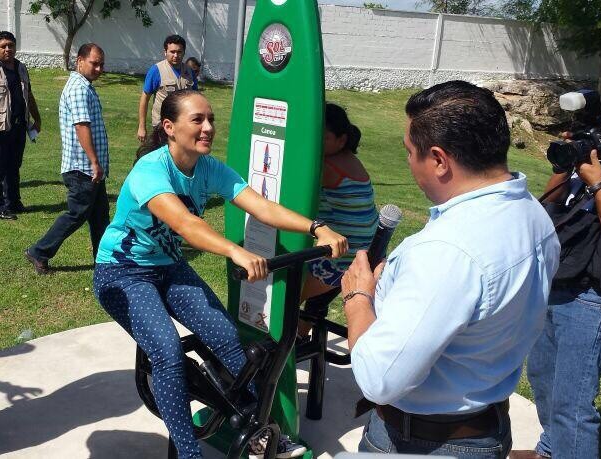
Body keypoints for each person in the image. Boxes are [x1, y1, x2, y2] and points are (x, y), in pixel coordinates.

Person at [94, 89, 348, 459]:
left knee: (229, 340)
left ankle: (262, 430)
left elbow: (261, 206)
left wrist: (316, 227)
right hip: (123, 273)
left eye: (210, 118)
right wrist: (235, 251)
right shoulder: (150, 170)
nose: (208, 127)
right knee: (166, 352)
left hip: (167, 268)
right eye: (197, 120)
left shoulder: (207, 168)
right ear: (169, 127)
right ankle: (188, 452)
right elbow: (184, 223)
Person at [340, 80, 560, 457]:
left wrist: (359, 297)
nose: (408, 163)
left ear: (440, 160)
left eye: (410, 152)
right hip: (486, 426)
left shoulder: (447, 250)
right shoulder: (533, 214)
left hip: (421, 443)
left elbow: (378, 379)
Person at [514, 90, 601, 459]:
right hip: (559, 284)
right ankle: (550, 449)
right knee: (543, 380)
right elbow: (551, 205)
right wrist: (567, 164)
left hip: (597, 301)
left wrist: (597, 186)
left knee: (572, 404)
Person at [25, 43, 109, 274]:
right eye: (95, 63)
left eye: (102, 64)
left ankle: (104, 262)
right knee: (77, 213)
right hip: (83, 167)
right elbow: (82, 125)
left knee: (100, 218)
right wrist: (93, 161)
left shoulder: (86, 86)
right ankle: (39, 251)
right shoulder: (78, 89)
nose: (99, 69)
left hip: (91, 167)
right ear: (79, 61)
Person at [298, 103, 377, 338]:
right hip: (360, 257)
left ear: (341, 140)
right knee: (315, 305)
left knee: (284, 296)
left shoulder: (327, 167)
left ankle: (277, 348)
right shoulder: (348, 159)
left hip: (338, 261)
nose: (313, 142)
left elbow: (292, 195)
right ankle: (300, 339)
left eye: (321, 138)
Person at [0, 31, 42, 220]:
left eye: (11, 45)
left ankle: (13, 201)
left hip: (19, 127)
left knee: (14, 166)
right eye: (3, 46)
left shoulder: (21, 67)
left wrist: (37, 119)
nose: (7, 49)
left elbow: (28, 95)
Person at [136, 34, 198, 143]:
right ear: (165, 52)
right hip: (162, 126)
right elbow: (144, 99)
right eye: (172, 52)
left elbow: (195, 99)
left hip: (184, 124)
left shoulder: (189, 71)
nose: (175, 55)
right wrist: (142, 127)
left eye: (179, 52)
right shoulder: (156, 70)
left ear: (184, 53)